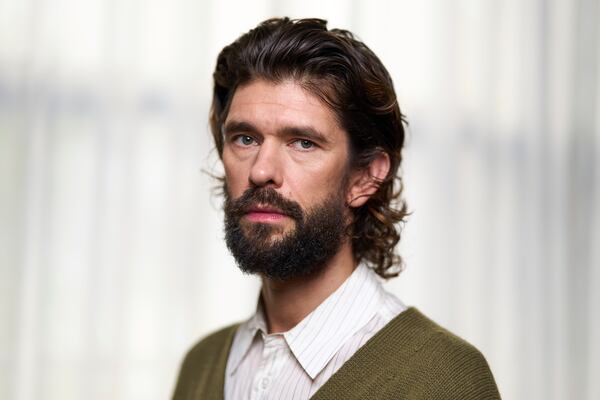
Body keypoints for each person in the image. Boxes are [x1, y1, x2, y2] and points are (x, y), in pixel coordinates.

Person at [172, 17, 501, 400]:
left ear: (365, 177)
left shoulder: (442, 379)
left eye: (303, 143)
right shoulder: (201, 365)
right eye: (245, 138)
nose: (261, 171)